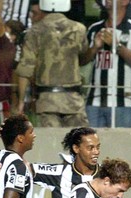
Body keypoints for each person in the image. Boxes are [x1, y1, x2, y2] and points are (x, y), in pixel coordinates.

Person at [14, 0, 89, 128]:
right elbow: (83, 53)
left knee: (50, 144)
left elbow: (25, 69)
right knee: (79, 143)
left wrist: (20, 102)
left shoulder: (34, 31)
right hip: (73, 99)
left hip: (46, 100)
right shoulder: (79, 29)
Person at [82, 0, 131, 128]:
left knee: (121, 145)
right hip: (94, 100)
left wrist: (117, 46)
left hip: (123, 102)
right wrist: (94, 48)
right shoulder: (94, 29)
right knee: (90, 145)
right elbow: (83, 61)